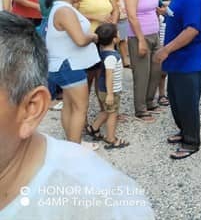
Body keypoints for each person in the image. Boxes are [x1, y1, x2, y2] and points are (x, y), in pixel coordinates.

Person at [0, 11, 154, 219]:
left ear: (31, 109)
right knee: (103, 112)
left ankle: (91, 131)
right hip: (105, 90)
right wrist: (109, 94)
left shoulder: (101, 200)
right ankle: (109, 136)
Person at [154, 0, 201, 159]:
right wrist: (165, 13)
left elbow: (192, 29)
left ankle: (192, 142)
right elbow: (179, 16)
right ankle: (184, 131)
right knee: (176, 100)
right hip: (178, 62)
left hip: (188, 61)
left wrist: (166, 50)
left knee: (187, 102)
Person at [46, 0, 100, 151]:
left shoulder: (64, 7)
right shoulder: (64, 11)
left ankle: (72, 142)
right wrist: (93, 36)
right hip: (69, 65)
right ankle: (75, 150)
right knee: (80, 107)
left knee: (70, 105)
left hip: (64, 64)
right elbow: (79, 40)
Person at [125, 0, 161, 122]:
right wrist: (140, 40)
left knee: (155, 70)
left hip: (155, 33)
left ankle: (149, 101)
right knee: (141, 73)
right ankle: (140, 108)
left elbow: (152, 7)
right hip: (139, 36)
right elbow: (132, 16)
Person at [76, 0, 119, 94]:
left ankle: (105, 107)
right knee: (89, 74)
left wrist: (114, 24)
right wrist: (95, 16)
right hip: (89, 38)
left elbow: (116, 8)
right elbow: (72, 12)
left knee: (106, 72)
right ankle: (83, 109)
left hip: (107, 37)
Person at [89, 23, 129, 149]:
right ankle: (111, 138)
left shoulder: (104, 53)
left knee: (106, 111)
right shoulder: (111, 57)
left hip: (104, 91)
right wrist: (111, 94)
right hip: (110, 91)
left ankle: (93, 128)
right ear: (114, 39)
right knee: (112, 114)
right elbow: (109, 76)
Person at [103, 0, 133, 69]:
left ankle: (125, 59)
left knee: (123, 37)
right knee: (114, 37)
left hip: (125, 13)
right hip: (111, 13)